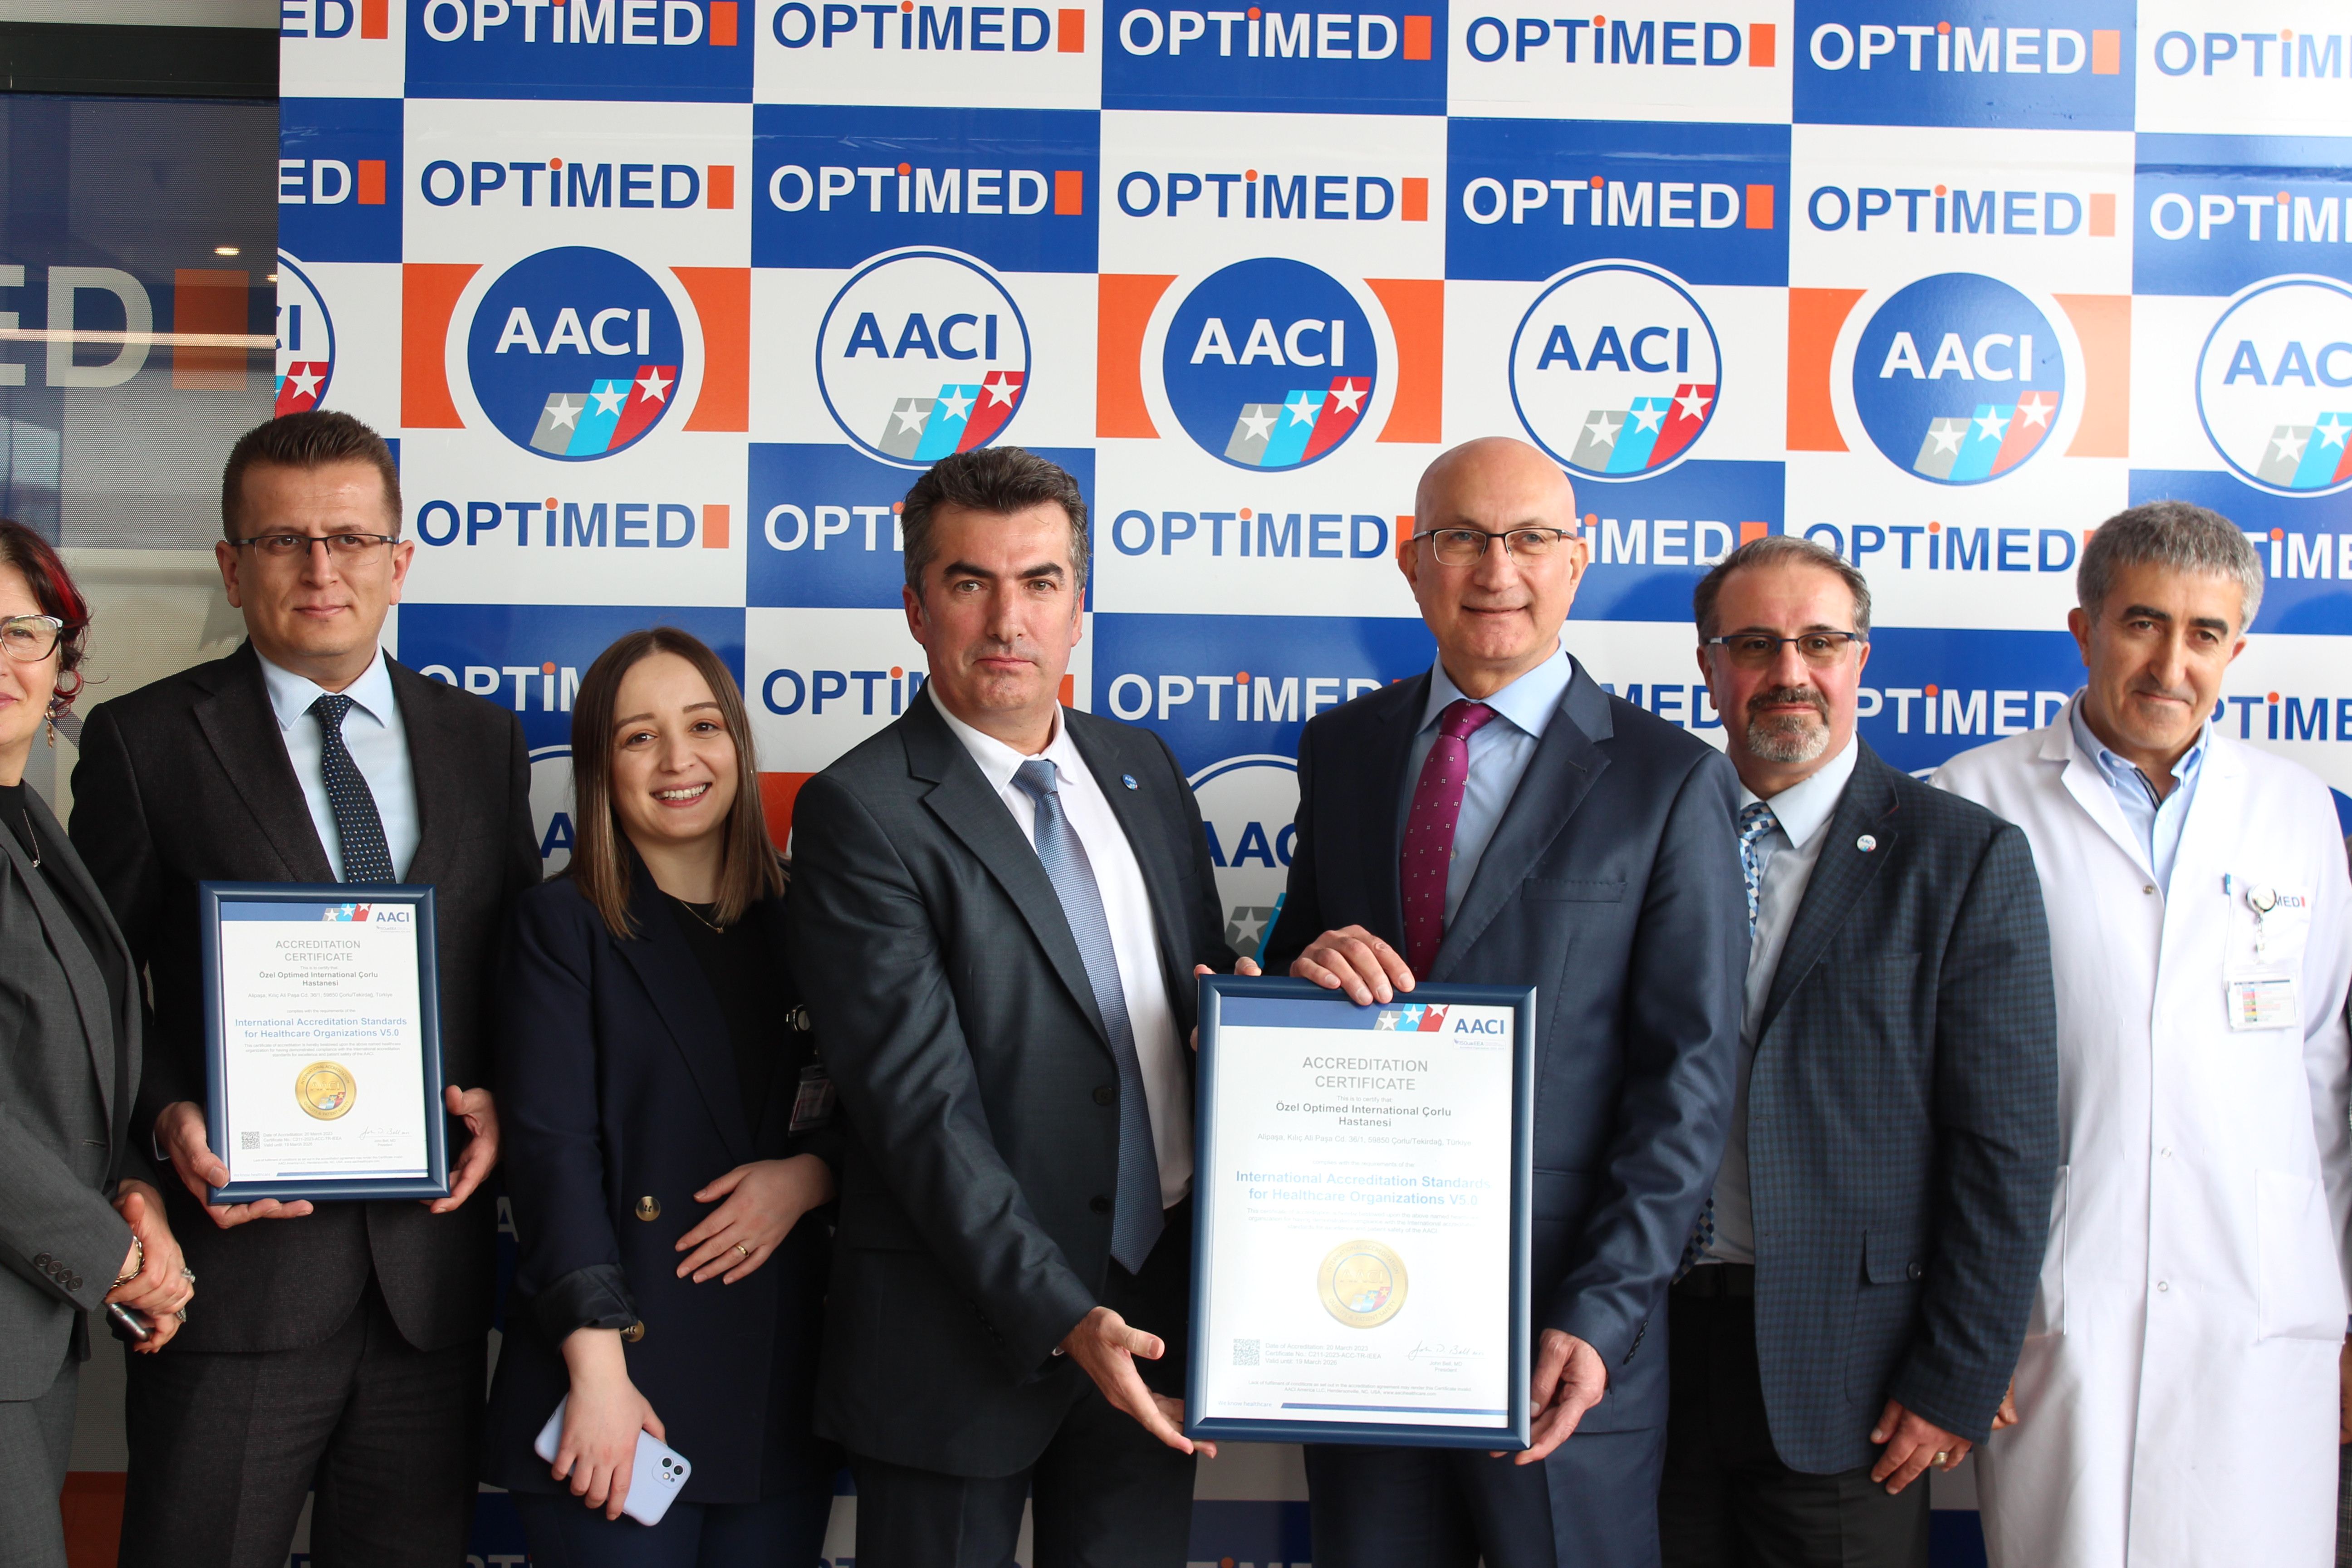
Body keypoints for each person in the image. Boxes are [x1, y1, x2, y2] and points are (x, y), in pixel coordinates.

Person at [1261, 435, 1748, 1568]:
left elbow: (1688, 1083)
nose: (1497, 570)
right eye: (1462, 539)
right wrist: (1303, 968)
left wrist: (1603, 1312)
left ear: (1578, 559)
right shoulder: (1342, 748)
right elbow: (1295, 973)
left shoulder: (1671, 778)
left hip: (1559, 1337)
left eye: (1531, 539)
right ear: (1411, 561)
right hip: (1358, 1309)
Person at [69, 410, 542, 1568]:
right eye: (283, 541)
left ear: (399, 560)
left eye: (350, 538)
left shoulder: (483, 742)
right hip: (233, 1286)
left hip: (429, 1287)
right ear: (233, 567)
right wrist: (164, 1119)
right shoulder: (144, 743)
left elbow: (515, 971)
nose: (322, 569)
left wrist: (502, 1098)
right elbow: (94, 992)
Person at [786, 446, 1244, 1568]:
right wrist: (1061, 1313)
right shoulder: (861, 810)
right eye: (969, 583)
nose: (1008, 621)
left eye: (1040, 582)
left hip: (1157, 1304)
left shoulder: (1143, 767)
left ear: (1079, 607)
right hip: (958, 1335)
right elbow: (918, 1113)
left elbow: (1198, 1004)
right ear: (915, 607)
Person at [1938, 500, 2352, 1567]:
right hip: (2055, 1303)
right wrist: (1962, 1328)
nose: (2173, 664)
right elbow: (1923, 1094)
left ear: (2237, 651)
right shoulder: (1969, 802)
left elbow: (2322, 1074)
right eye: (2143, 624)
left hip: (2261, 1305)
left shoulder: (2298, 812)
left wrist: (2342, 1307)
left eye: (2205, 634)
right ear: (2085, 630)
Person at [1659, 536, 2058, 1568]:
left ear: (1860, 660)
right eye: (1756, 644)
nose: (1790, 672)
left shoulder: (1962, 857)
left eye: (1821, 643)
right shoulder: (1645, 836)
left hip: (1853, 1377)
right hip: (1648, 1359)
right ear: (1708, 666)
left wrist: (1961, 1371)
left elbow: (2008, 1148)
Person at [483, 627, 839, 1565]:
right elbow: (553, 1158)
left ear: (740, 746)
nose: (680, 759)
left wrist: (810, 1178)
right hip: (616, 1387)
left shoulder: (814, 918)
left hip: (779, 1387)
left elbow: (886, 1112)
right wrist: (599, 1371)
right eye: (640, 737)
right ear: (601, 767)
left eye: (704, 727)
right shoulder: (560, 925)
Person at [0, 521, 193, 1568]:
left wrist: (133, 1191)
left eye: (21, 632)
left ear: (61, 656)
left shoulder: (33, 827)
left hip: (31, 1336)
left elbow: (60, 1071)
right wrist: (111, 1255)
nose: (1, 662)